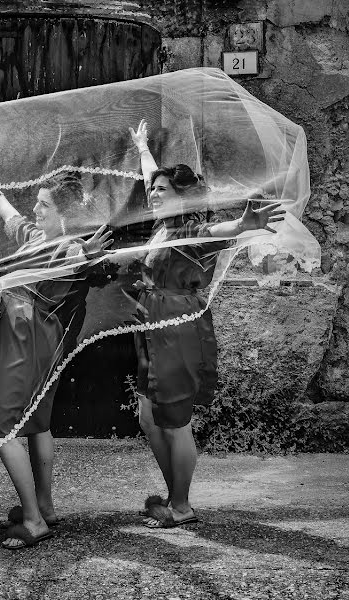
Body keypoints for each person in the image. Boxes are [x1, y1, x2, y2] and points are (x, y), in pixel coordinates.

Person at [127, 119, 285, 528]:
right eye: (152, 190)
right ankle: (174, 493)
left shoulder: (192, 231)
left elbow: (220, 230)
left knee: (176, 422)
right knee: (149, 417)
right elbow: (152, 177)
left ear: (183, 197)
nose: (153, 194)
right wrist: (143, 148)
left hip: (178, 331)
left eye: (162, 191)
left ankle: (180, 506)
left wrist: (244, 225)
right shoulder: (164, 227)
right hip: (151, 332)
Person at [0, 173, 112, 549]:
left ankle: (33, 520)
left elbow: (78, 263)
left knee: (2, 427)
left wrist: (86, 255)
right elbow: (14, 221)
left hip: (27, 340)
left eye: (44, 205)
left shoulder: (68, 248)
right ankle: (46, 506)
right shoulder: (39, 238)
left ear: (64, 215)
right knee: (36, 421)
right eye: (35, 202)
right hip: (29, 337)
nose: (34, 210)